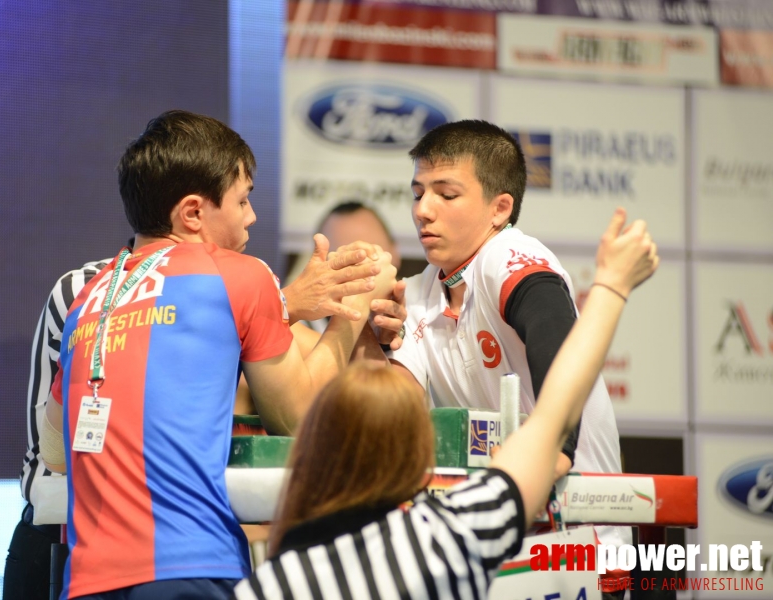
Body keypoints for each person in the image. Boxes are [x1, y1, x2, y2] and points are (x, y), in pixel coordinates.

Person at [37, 110, 397, 600]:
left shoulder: (89, 297)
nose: (251, 216)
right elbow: (299, 419)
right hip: (190, 570)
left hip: (85, 583)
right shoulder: (240, 275)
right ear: (192, 213)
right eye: (243, 200)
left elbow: (55, 449)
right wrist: (353, 306)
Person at [235, 207, 658, 599]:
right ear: (418, 443)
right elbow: (553, 420)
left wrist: (351, 317)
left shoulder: (271, 586)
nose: (424, 209)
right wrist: (611, 287)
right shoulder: (445, 539)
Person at [388, 120, 631, 588]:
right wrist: (365, 341)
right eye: (418, 193)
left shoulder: (509, 254)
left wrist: (554, 453)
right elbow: (393, 408)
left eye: (446, 194)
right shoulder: (417, 293)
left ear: (500, 208)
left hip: (585, 544)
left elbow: (555, 338)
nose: (424, 210)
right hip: (493, 546)